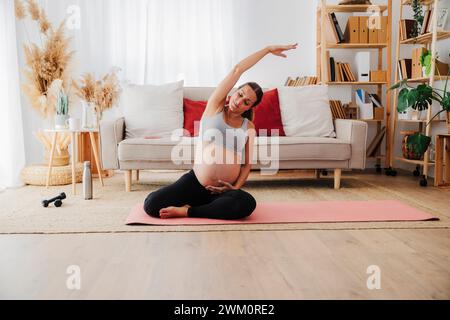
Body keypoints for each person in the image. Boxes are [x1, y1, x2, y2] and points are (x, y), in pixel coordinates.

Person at [144, 44, 298, 219]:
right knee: (151, 204)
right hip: (195, 182)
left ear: (251, 107)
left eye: (247, 102)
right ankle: (206, 208)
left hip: (223, 190)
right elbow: (237, 70)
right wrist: (267, 50)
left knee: (247, 203)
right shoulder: (215, 107)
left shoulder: (248, 127)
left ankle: (188, 211)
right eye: (240, 94)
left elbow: (246, 164)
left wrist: (235, 188)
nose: (239, 102)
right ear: (235, 92)